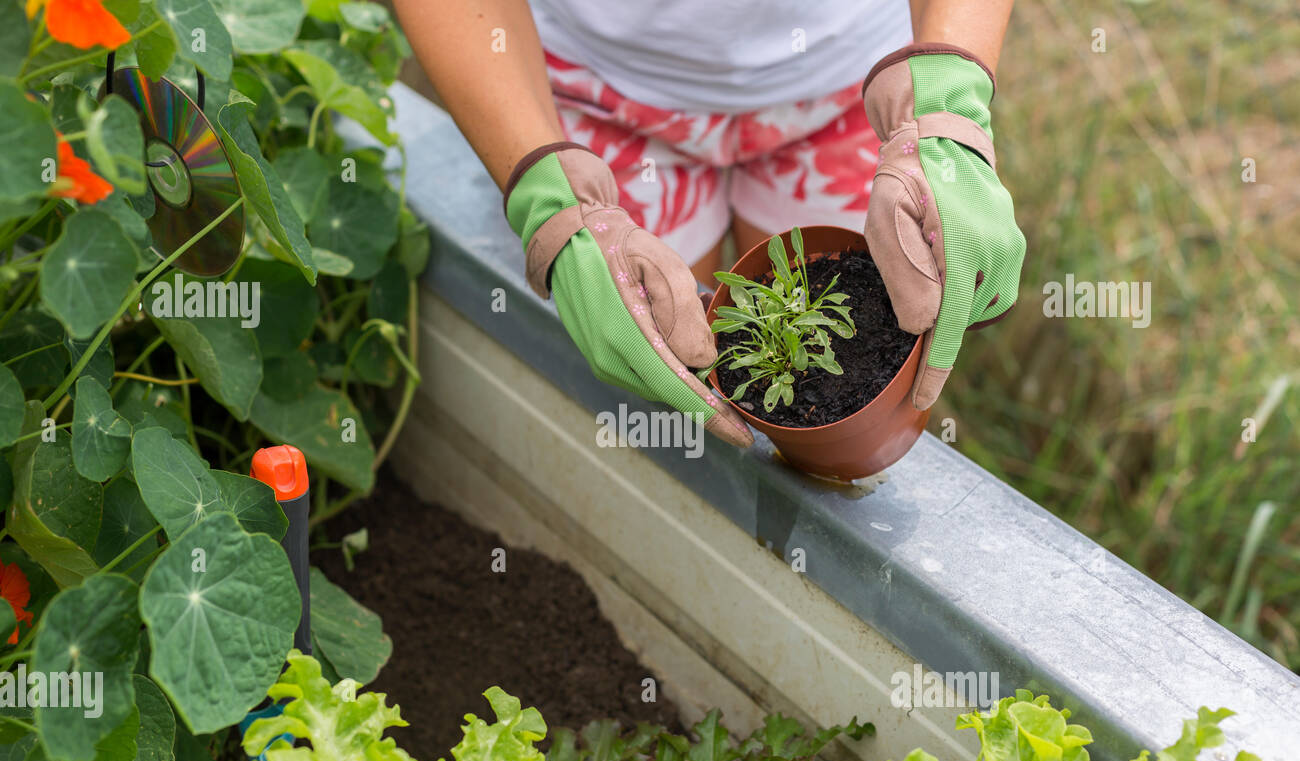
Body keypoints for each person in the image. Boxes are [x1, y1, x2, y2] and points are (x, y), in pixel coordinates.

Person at [394, 0, 1027, 448]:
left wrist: (948, 96)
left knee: (855, 420)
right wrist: (547, 193)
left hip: (855, 83)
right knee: (672, 401)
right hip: (600, 89)